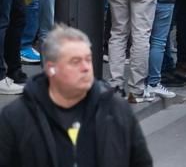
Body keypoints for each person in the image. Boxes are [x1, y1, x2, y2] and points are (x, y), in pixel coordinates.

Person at [0, 25, 154, 167]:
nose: (86, 68)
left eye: (88, 59)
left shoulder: (116, 110)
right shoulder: (16, 117)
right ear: (51, 69)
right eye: (75, 61)